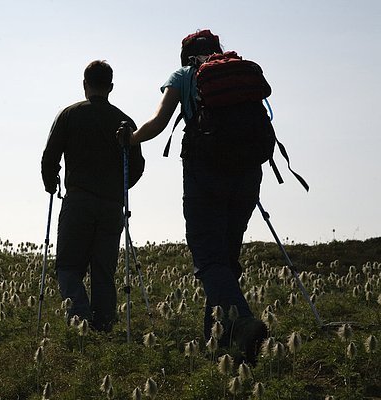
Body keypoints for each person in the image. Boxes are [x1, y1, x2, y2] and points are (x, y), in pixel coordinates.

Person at [119, 30, 267, 364]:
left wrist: (132, 139)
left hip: (205, 173)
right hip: (247, 174)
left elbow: (159, 121)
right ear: (219, 51)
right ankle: (216, 340)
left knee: (208, 255)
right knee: (226, 256)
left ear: (186, 56)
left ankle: (240, 322)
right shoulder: (237, 76)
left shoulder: (185, 76)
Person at [41, 60, 145, 332]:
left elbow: (50, 157)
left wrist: (51, 183)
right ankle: (103, 327)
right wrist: (119, 188)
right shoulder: (125, 121)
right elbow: (137, 167)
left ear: (85, 84)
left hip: (78, 202)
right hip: (112, 206)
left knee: (67, 267)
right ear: (110, 87)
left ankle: (79, 318)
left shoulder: (69, 114)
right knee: (103, 271)